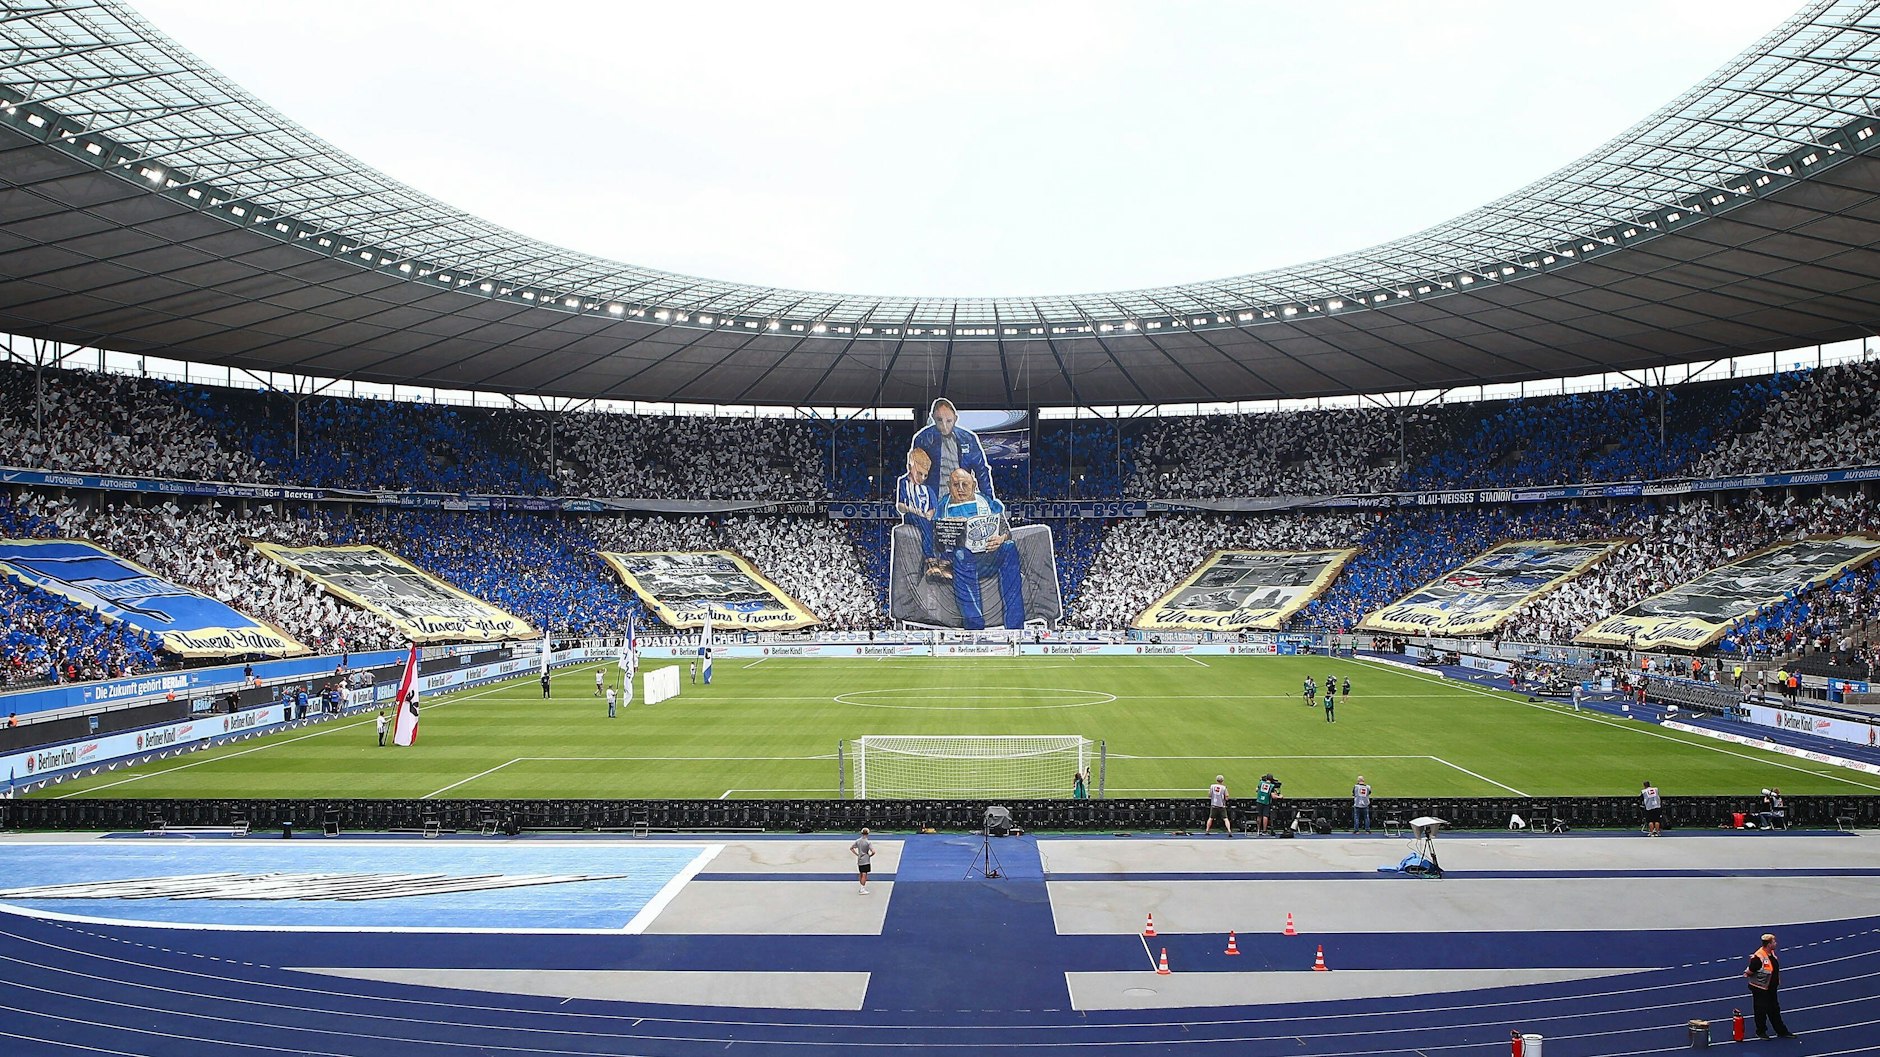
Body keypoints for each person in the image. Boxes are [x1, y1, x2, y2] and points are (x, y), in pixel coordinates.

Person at [939, 469, 1026, 630]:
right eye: (955, 484)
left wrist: (1001, 539)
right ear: (948, 486)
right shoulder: (943, 507)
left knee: (1009, 547)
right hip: (963, 561)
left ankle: (1015, 627)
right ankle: (975, 628)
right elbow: (938, 540)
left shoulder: (985, 502)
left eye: (965, 484)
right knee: (960, 554)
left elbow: (1006, 531)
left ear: (974, 485)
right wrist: (954, 532)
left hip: (989, 556)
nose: (960, 489)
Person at [909, 397, 996, 501]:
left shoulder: (968, 438)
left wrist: (989, 501)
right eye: (939, 420)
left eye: (949, 421)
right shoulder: (923, 439)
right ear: (933, 418)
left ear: (955, 418)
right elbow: (915, 473)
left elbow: (981, 471)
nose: (944, 426)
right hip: (933, 500)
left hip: (961, 498)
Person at [895, 447, 945, 581]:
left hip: (925, 517)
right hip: (912, 516)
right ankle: (931, 560)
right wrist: (913, 510)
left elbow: (933, 508)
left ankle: (945, 560)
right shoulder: (904, 483)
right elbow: (900, 505)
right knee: (925, 524)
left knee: (939, 525)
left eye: (925, 475)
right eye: (919, 473)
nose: (922, 478)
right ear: (911, 466)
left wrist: (930, 513)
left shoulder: (927, 489)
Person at [1744, 932, 1795, 1038]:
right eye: (1774, 942)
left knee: (1774, 1009)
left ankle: (1781, 1031)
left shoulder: (1771, 953)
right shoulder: (1759, 957)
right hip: (1760, 989)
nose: (1776, 943)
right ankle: (1761, 1031)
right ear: (1769, 944)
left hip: (1771, 988)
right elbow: (1749, 971)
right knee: (1761, 1010)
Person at [850, 827, 875, 894]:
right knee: (864, 874)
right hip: (866, 860)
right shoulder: (868, 842)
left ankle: (861, 886)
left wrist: (857, 854)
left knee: (861, 873)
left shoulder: (858, 841)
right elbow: (873, 851)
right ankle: (862, 889)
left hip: (860, 859)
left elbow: (851, 848)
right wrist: (869, 855)